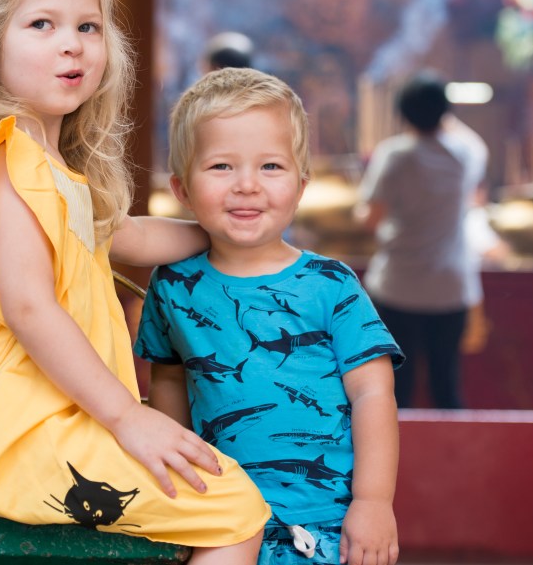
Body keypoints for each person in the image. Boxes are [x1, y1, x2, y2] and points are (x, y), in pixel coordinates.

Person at [0, 0, 268, 562]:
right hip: (15, 436)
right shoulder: (8, 156)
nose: (72, 44)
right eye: (41, 24)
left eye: (87, 26)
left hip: (35, 427)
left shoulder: (46, 165)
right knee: (230, 506)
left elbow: (125, 236)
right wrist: (128, 417)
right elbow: (29, 307)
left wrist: (226, 227)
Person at [134, 67, 404, 565]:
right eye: (221, 166)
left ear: (301, 185)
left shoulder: (331, 284)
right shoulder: (172, 285)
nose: (247, 185)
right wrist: (177, 483)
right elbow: (169, 381)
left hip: (325, 525)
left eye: (271, 167)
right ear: (181, 188)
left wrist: (373, 502)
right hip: (220, 522)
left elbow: (374, 393)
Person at [356, 70, 488, 410]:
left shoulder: (395, 155)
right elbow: (473, 141)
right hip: (450, 288)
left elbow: (371, 220)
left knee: (396, 390)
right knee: (446, 387)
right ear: (445, 112)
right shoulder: (464, 155)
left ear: (401, 113)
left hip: (398, 287)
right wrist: (441, 113)